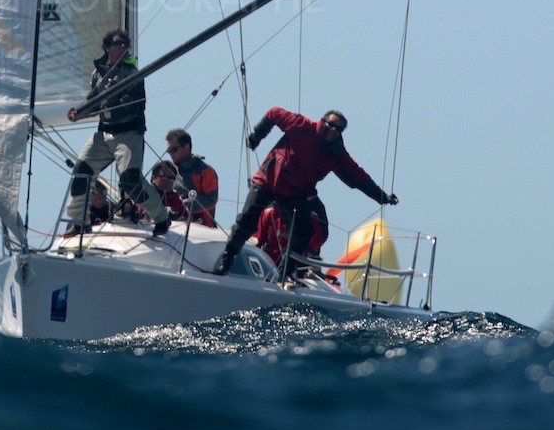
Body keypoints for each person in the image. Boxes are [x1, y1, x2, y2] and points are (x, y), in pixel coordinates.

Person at [213, 107, 397, 277]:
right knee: (247, 220)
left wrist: (382, 197)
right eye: (331, 124)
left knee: (304, 232)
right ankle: (226, 261)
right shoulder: (301, 125)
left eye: (339, 129)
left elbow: (358, 177)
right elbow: (274, 113)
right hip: (268, 181)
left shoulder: (337, 154)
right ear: (323, 121)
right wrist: (257, 136)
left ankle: (284, 274)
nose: (333, 130)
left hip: (294, 193)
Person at [63, 30, 170, 236]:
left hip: (128, 134)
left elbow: (136, 106)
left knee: (130, 180)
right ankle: (79, 221)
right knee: (81, 171)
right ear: (107, 47)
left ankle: (161, 218)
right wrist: (79, 113)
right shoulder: (98, 74)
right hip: (104, 134)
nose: (123, 47)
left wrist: (115, 97)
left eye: (125, 44)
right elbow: (93, 101)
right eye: (118, 43)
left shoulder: (132, 74)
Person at [165, 128, 219, 227]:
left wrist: (179, 205)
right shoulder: (169, 173)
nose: (171, 154)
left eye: (174, 150)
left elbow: (209, 200)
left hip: (202, 227)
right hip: (174, 227)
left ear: (186, 147)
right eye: (169, 151)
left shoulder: (205, 171)